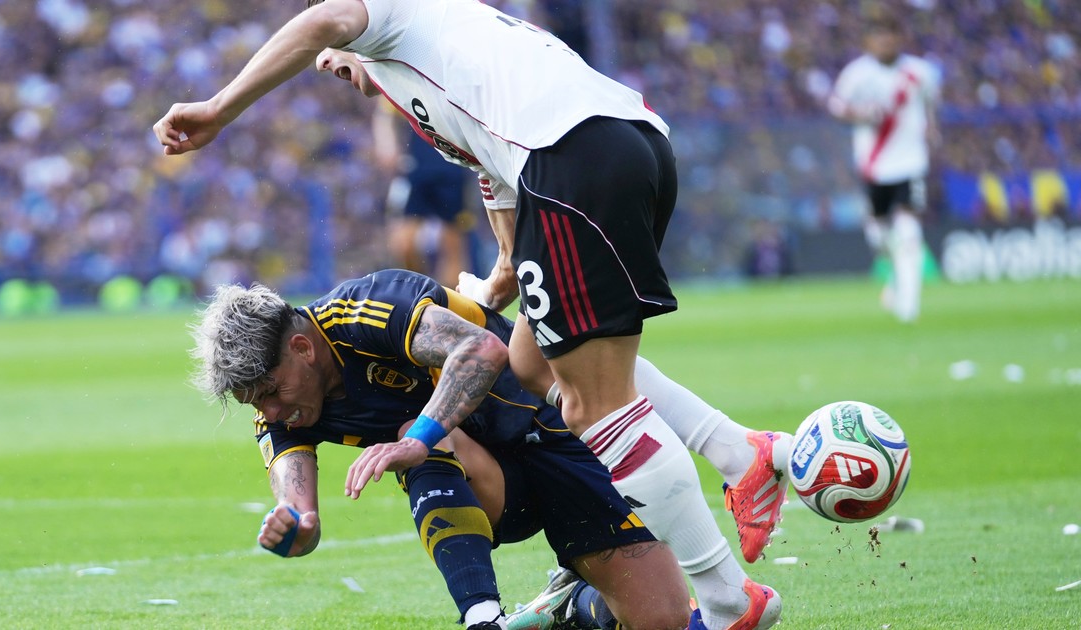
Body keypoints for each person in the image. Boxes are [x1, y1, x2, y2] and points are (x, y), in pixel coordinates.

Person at [154, 1, 785, 626]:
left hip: (569, 158)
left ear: (299, 348)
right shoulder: (437, 86)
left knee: (589, 408)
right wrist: (502, 276)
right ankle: (540, 603)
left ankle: (730, 581)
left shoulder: (397, 22)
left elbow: (325, 22)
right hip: (622, 143)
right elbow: (499, 186)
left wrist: (218, 109)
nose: (327, 64)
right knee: (536, 361)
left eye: (269, 392)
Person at [190, 269, 694, 629]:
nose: (271, 412)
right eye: (256, 403)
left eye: (272, 392)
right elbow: (302, 519)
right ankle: (483, 618)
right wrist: (293, 532)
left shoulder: (366, 310)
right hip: (489, 485)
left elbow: (483, 349)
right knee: (416, 435)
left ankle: (575, 607)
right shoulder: (280, 415)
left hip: (559, 433)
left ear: (302, 350)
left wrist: (416, 440)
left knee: (663, 620)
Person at [828, 12, 940, 323]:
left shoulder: (919, 72)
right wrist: (860, 114)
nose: (886, 42)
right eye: (879, 36)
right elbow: (836, 106)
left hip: (911, 162)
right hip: (875, 166)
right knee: (879, 236)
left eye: (891, 36)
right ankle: (896, 275)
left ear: (899, 39)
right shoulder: (857, 74)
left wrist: (931, 127)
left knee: (908, 230)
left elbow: (930, 103)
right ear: (869, 41)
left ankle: (908, 306)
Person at [373, 101, 475, 288]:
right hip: (415, 167)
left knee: (452, 244)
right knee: (403, 243)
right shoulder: (410, 82)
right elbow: (385, 113)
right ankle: (417, 291)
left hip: (454, 168)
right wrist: (387, 144)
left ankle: (449, 299)